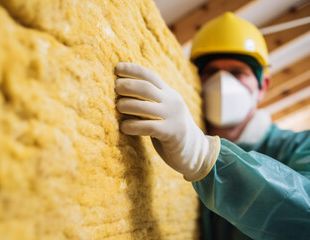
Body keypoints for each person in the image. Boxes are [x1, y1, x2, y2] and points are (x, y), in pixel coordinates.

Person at [114, 12, 310, 240]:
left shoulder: (300, 146)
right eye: (210, 72)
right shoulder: (174, 140)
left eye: (238, 72)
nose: (223, 83)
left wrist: (203, 155)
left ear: (262, 85)